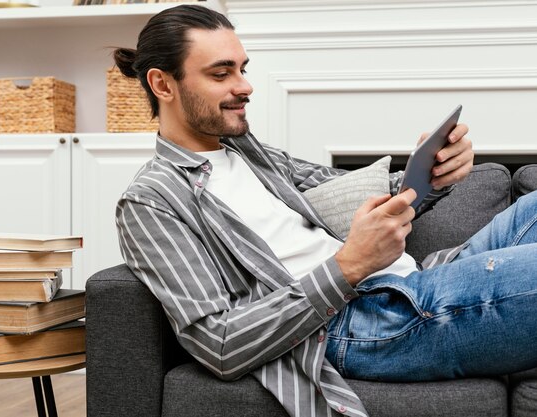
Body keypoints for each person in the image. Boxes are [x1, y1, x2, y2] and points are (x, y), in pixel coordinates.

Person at [114, 5, 537, 417]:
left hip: (416, 277)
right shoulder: (152, 200)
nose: (244, 86)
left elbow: (349, 188)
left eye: (243, 69)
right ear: (163, 85)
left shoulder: (250, 153)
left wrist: (434, 172)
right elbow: (220, 344)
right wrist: (349, 266)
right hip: (364, 322)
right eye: (221, 73)